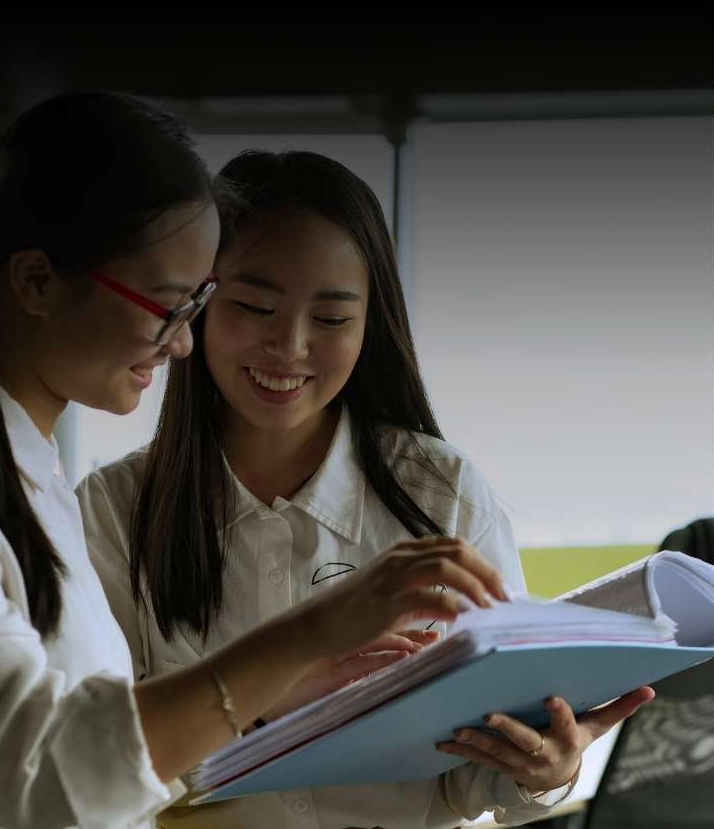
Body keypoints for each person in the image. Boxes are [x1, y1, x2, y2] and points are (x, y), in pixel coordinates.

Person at [0, 96, 508, 829]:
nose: (182, 343)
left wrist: (289, 692)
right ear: (35, 281)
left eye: (194, 305)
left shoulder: (27, 479)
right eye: (169, 305)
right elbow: (38, 776)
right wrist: (311, 631)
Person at [77, 149, 653, 829]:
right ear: (197, 304)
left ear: (369, 324)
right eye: (255, 306)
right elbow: (88, 780)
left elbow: (475, 776)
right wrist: (267, 702)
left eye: (330, 319)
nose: (289, 346)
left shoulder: (442, 493)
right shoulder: (112, 513)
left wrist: (546, 767)